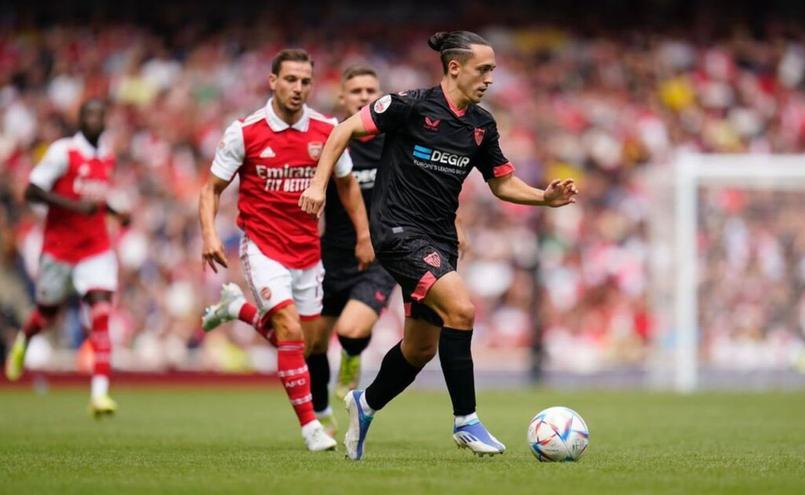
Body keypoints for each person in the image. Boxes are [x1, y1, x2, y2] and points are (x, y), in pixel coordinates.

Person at [299, 31, 578, 460]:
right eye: (483, 69)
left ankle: (366, 402)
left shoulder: (481, 125)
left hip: (440, 240)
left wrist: (544, 197)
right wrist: (319, 186)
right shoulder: (408, 105)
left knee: (420, 349)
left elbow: (501, 183)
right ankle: (466, 420)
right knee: (462, 309)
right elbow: (342, 132)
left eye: (493, 71)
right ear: (454, 67)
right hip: (396, 232)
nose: (489, 78)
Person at [198, 48, 373, 451]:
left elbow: (347, 184)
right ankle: (311, 426)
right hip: (262, 247)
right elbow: (211, 190)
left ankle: (237, 309)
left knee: (307, 346)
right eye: (290, 80)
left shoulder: (328, 129)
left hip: (309, 253)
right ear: (272, 81)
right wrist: (209, 235)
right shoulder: (245, 131)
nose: (298, 88)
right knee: (290, 331)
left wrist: (363, 235)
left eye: (305, 81)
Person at [4, 99, 129, 418]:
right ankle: (24, 339)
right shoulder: (62, 153)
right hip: (59, 250)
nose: (94, 119)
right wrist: (73, 207)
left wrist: (116, 213)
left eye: (100, 114)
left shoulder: (107, 157)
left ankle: (99, 394)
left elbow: (96, 201)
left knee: (101, 311)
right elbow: (31, 191)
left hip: (96, 248)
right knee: (46, 314)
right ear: (80, 119)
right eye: (89, 113)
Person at [311, 65, 396, 417]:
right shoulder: (331, 142)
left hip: (380, 254)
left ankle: (351, 356)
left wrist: (458, 225)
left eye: (371, 90)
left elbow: (428, 185)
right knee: (312, 344)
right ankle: (320, 417)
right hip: (331, 255)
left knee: (350, 330)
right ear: (342, 98)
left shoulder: (395, 141)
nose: (364, 96)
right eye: (356, 90)